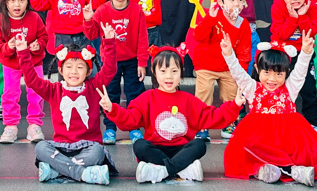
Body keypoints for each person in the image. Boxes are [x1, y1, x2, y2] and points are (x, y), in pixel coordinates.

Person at [222, 32, 317, 186]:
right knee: (245, 147)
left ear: (287, 72)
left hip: (287, 138)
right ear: (257, 69)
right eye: (267, 72)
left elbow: (300, 72)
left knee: (309, 152)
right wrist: (229, 55)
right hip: (261, 137)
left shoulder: (290, 88)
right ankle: (267, 171)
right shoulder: (252, 88)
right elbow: (238, 74)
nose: (272, 79)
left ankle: (290, 170)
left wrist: (305, 53)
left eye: (279, 74)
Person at [99, 44, 243, 183]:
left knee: (199, 144)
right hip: (155, 149)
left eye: (174, 71)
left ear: (181, 71)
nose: (169, 76)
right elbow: (130, 120)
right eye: (163, 71)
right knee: (140, 145)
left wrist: (234, 105)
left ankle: (161, 170)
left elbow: (213, 116)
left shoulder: (189, 100)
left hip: (182, 149)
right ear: (154, 71)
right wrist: (112, 109)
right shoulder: (146, 98)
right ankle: (181, 169)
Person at [18, 26, 119, 185]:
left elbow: (110, 70)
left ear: (88, 72)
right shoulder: (53, 90)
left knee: (98, 152)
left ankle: (57, 171)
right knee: (41, 147)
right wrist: (23, 52)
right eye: (69, 67)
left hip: (88, 147)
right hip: (61, 147)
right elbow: (31, 80)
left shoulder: (94, 87)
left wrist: (109, 41)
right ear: (60, 69)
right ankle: (84, 173)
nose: (74, 72)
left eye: (80, 67)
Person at [83, 0, 148, 145]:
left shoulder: (136, 10)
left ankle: (134, 127)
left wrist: (142, 62)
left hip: (132, 61)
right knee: (111, 94)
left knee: (134, 94)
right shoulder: (102, 10)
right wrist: (88, 19)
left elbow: (142, 38)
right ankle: (110, 128)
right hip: (110, 62)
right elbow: (92, 34)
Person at [189, 0, 251, 141]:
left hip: (228, 68)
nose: (236, 3)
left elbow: (244, 51)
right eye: (232, 0)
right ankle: (201, 126)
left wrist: (241, 73)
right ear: (221, 2)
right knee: (203, 96)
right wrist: (209, 19)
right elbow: (198, 36)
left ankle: (229, 123)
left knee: (231, 96)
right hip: (206, 65)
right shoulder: (214, 16)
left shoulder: (243, 24)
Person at [0, 0, 49, 144]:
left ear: (28, 1)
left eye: (22, 0)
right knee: (10, 94)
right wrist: (8, 47)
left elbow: (44, 36)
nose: (17, 4)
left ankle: (34, 125)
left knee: (36, 93)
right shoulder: (0, 20)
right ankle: (10, 126)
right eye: (13, 0)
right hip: (11, 65)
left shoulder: (34, 17)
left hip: (33, 63)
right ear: (5, 1)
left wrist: (38, 44)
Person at [268, 0, 317, 130]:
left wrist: (303, 16)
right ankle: (277, 121)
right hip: (282, 54)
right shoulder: (277, 7)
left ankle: (313, 125)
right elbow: (282, 34)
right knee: (278, 88)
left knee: (309, 89)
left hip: (304, 53)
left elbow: (311, 32)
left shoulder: (310, 6)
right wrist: (293, 18)